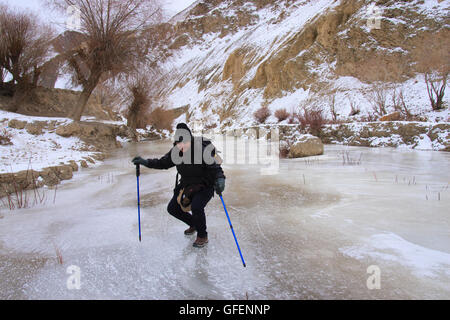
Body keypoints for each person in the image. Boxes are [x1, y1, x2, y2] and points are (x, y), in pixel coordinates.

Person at [132, 123, 226, 248]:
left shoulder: (201, 150)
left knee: (197, 206)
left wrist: (220, 179)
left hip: (205, 185)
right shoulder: (175, 152)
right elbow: (162, 163)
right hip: (186, 185)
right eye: (179, 143)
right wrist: (145, 162)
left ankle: (202, 235)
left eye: (184, 142)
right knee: (172, 208)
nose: (182, 146)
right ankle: (194, 224)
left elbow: (215, 167)